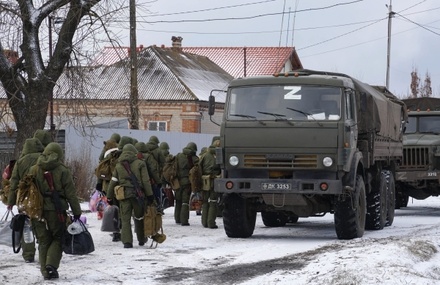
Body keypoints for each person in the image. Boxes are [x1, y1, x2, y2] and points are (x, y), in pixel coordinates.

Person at [28, 142, 82, 280]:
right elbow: (71, 193)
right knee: (58, 237)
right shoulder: (63, 170)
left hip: (37, 209)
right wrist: (77, 211)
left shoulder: (34, 169)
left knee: (43, 240)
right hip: (56, 210)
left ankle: (45, 272)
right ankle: (51, 265)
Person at [106, 144, 154, 248]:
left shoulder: (119, 165)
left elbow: (113, 182)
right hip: (138, 194)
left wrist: (109, 196)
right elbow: (146, 181)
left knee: (125, 218)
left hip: (124, 195)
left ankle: (127, 242)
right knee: (139, 217)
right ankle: (141, 239)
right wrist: (150, 195)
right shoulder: (140, 163)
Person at [7, 138, 45, 263]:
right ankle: (44, 250)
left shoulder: (20, 162)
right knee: (41, 224)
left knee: (27, 226)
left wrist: (11, 201)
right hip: (41, 198)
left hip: (24, 198)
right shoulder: (44, 159)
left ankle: (28, 254)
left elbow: (13, 183)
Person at [174, 142, 199, 226]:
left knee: (178, 200)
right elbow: (198, 170)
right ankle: (184, 220)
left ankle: (177, 219)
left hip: (177, 181)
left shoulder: (178, 156)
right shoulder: (193, 158)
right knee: (185, 201)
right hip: (187, 182)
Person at [200, 139, 221, 229]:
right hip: (214, 180)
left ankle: (204, 222)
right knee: (213, 202)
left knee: (205, 202)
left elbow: (198, 167)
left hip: (204, 181)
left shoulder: (204, 155)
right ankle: (211, 222)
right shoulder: (218, 156)